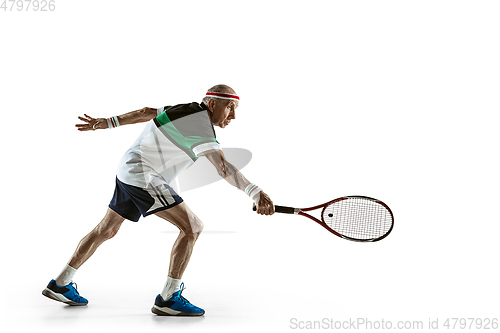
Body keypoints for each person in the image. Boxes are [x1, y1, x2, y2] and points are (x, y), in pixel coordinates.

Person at [42, 84, 275, 316]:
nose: (233, 115)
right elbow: (223, 167)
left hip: (127, 169)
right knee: (192, 227)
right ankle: (169, 298)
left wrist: (108, 122)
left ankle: (61, 283)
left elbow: (145, 111)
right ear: (212, 103)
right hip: (144, 176)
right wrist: (255, 192)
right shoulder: (200, 124)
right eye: (230, 107)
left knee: (108, 229)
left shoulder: (183, 109)